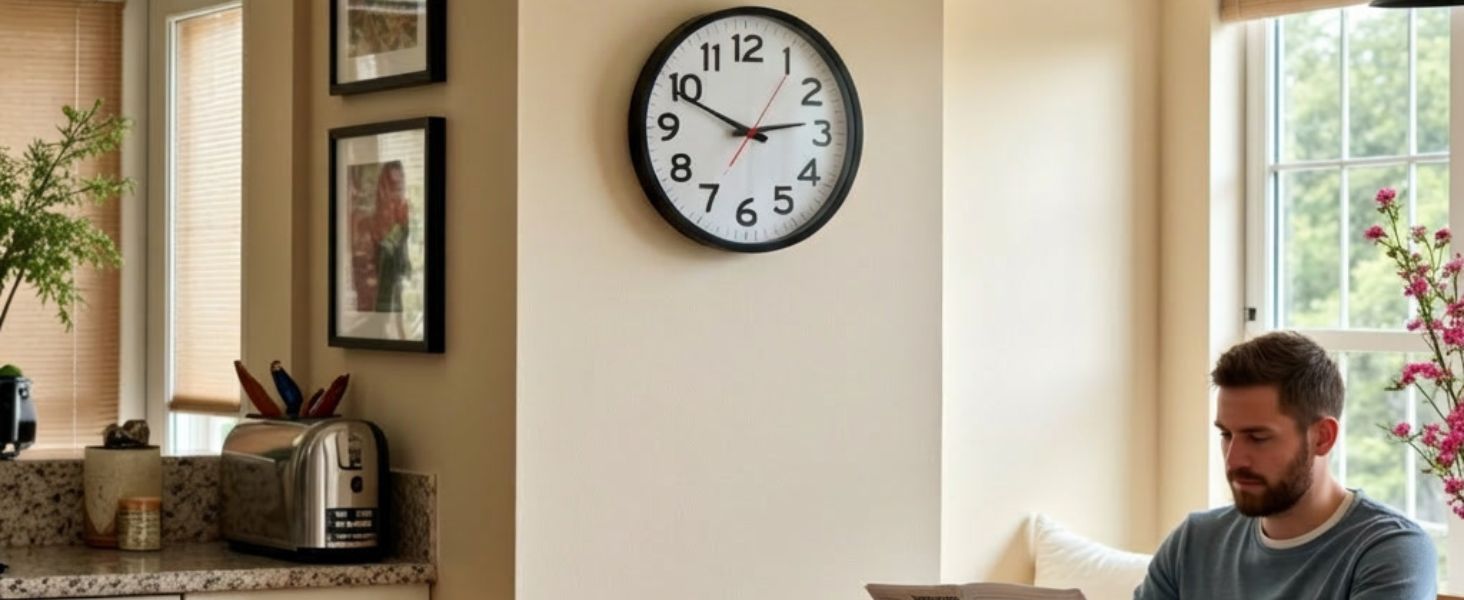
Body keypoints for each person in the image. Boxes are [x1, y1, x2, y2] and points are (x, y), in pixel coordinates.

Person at [1134, 331, 1436, 600]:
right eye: (1226, 434)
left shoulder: (1390, 551)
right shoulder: (1194, 542)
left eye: (1258, 437)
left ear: (1323, 438)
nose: (1233, 459)